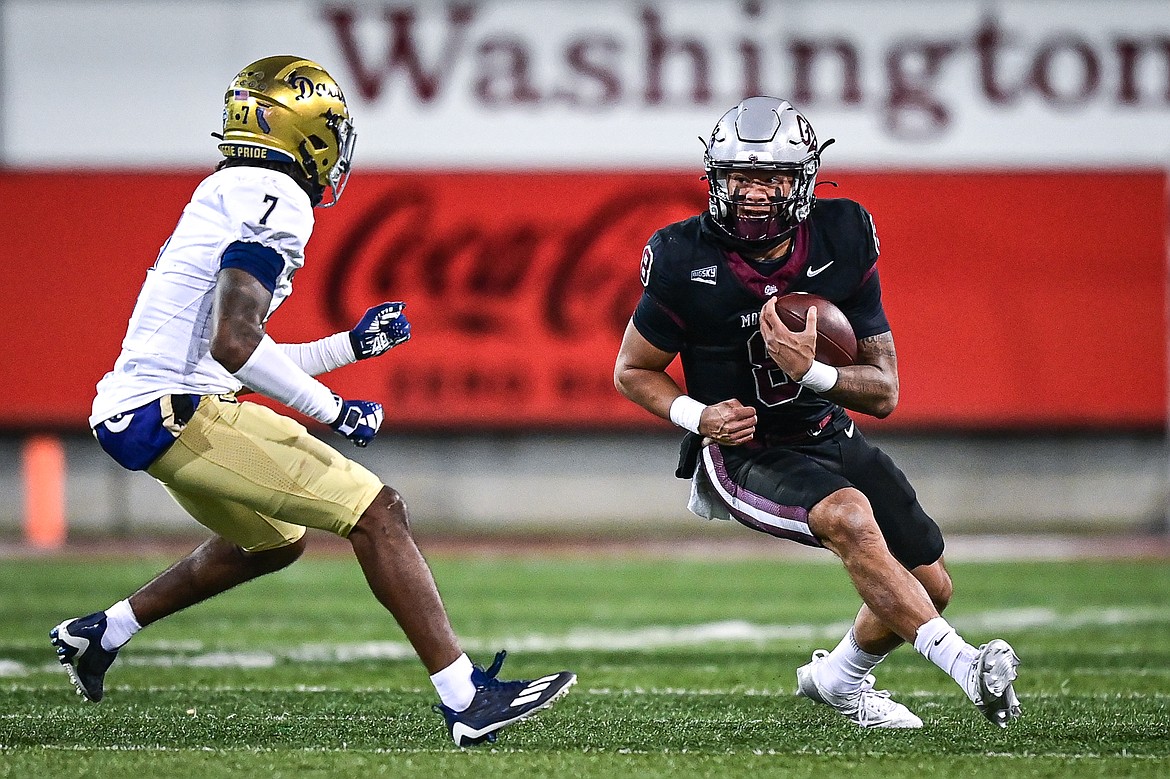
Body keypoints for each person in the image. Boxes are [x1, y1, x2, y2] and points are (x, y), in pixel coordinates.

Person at [49, 55, 575, 747]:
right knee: (378, 512)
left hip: (151, 406)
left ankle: (102, 630)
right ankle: (465, 696)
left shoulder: (232, 188)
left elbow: (225, 354)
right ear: (305, 132)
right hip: (175, 408)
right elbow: (236, 346)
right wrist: (333, 410)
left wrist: (349, 350)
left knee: (272, 542)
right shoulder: (276, 195)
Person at [613, 96, 1020, 729]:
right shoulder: (681, 256)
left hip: (825, 431)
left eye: (771, 176)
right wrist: (698, 418)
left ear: (802, 179)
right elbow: (632, 370)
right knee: (849, 517)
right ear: (715, 179)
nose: (754, 193)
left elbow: (884, 392)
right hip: (745, 451)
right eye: (740, 176)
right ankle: (966, 666)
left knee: (931, 585)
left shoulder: (843, 235)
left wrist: (814, 373)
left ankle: (839, 679)